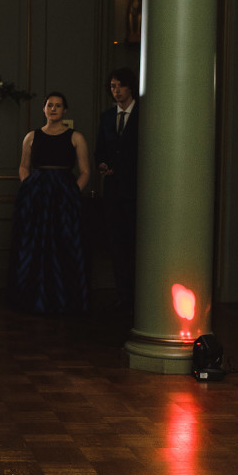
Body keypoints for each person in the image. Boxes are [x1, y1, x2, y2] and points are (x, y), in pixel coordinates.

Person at [10, 92, 90, 314]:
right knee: (34, 246)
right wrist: (29, 188)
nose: (53, 109)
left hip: (64, 198)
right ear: (44, 109)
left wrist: (72, 193)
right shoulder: (31, 136)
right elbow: (24, 166)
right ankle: (32, 299)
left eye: (58, 105)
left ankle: (64, 301)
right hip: (36, 197)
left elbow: (85, 171)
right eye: (49, 105)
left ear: (64, 110)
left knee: (65, 245)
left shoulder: (76, 137)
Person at [95, 68, 139, 316]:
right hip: (112, 193)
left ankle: (136, 298)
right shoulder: (107, 117)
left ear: (130, 87)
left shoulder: (144, 115)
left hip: (135, 193)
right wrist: (102, 164)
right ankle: (122, 297)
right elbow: (100, 149)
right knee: (116, 247)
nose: (116, 90)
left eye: (120, 85)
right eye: (112, 86)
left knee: (135, 247)